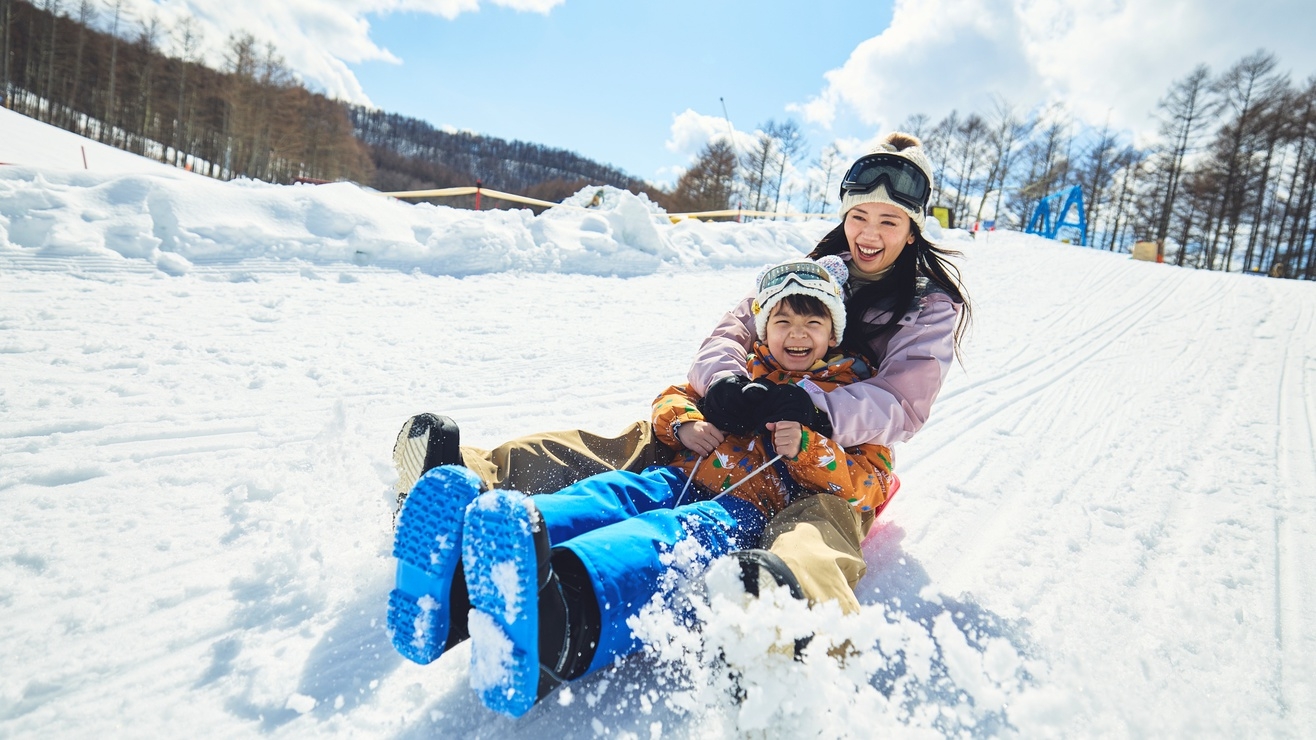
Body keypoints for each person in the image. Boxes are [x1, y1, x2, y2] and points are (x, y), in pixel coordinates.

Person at [391, 130, 969, 616]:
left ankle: (791, 615)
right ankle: (463, 478)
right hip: (749, 420)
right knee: (638, 443)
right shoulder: (810, 274)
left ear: (913, 229)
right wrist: (721, 385)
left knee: (818, 527)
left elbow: (903, 403)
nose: (869, 234)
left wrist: (817, 410)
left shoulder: (929, 304)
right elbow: (732, 332)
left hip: (834, 455)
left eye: (889, 221)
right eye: (859, 216)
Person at [388, 258, 896, 718]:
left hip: (743, 509)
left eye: (813, 322)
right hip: (682, 473)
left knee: (665, 539)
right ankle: (463, 575)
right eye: (783, 321)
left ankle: (561, 616)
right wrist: (685, 424)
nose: (797, 334)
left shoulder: (850, 396)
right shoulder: (743, 369)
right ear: (764, 327)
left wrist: (809, 447)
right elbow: (676, 395)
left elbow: (868, 486)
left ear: (834, 333)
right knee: (608, 493)